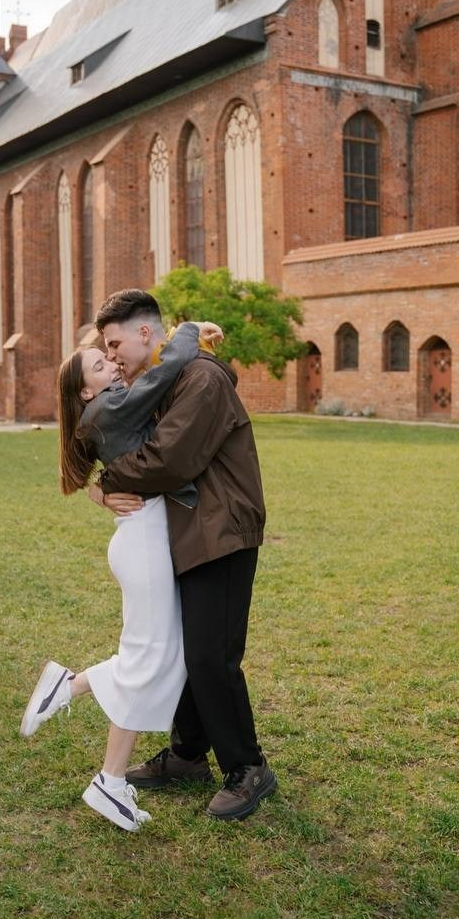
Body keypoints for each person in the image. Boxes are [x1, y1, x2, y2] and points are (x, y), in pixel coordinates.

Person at [20, 320, 222, 833]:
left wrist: (100, 488)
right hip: (143, 543)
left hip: (146, 538)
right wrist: (189, 329)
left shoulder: (107, 407)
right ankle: (102, 765)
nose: (111, 362)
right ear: (85, 390)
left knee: (158, 657)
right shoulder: (107, 406)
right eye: (99, 363)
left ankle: (90, 730)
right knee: (149, 658)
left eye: (108, 356)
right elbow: (165, 371)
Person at [92, 288, 277, 822]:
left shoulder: (201, 378)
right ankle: (188, 754)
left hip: (222, 531)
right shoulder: (169, 380)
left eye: (115, 343)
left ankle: (248, 767)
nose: (113, 356)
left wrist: (106, 482)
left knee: (210, 656)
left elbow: (169, 459)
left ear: (146, 333)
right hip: (193, 532)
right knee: (190, 649)